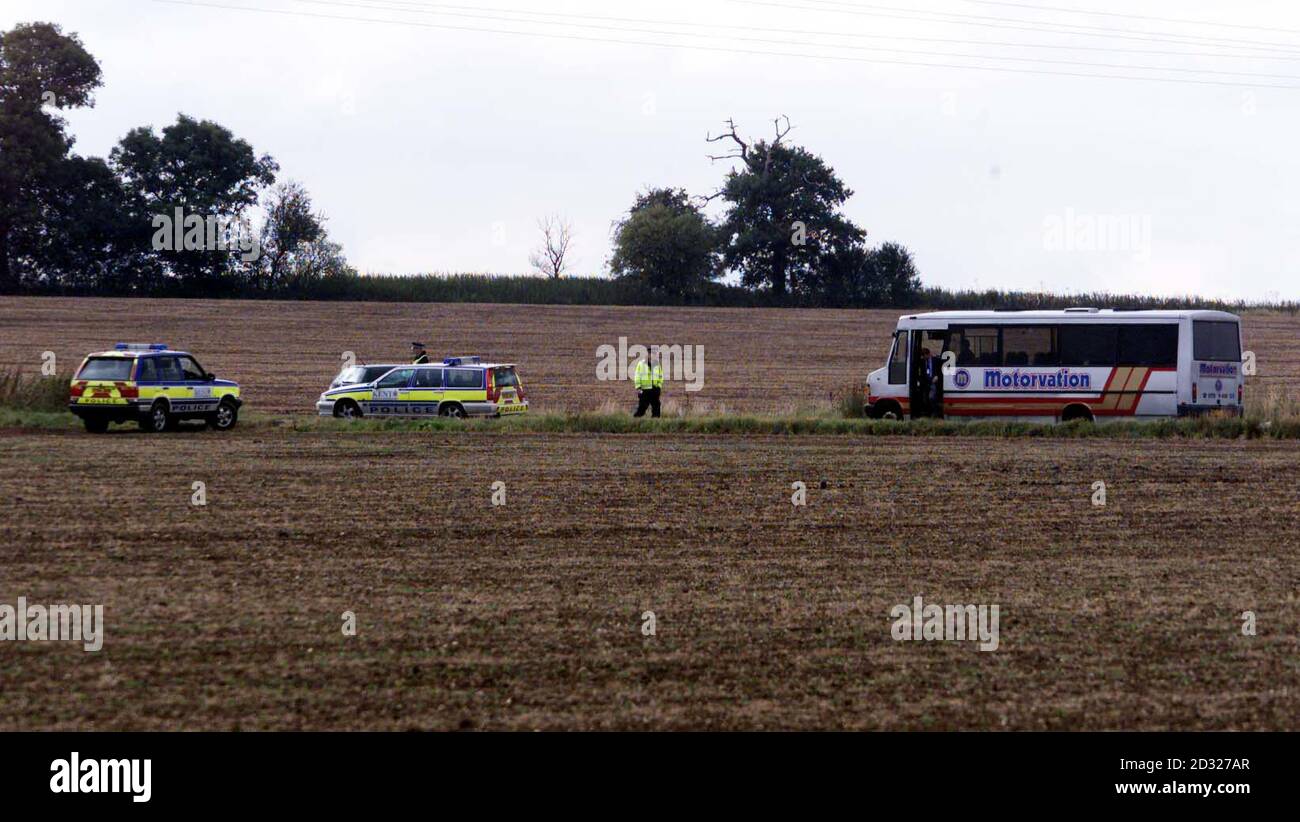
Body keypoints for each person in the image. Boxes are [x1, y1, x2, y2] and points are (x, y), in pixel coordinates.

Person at [632, 348, 664, 418]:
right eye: (650, 354)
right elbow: (637, 375)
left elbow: (661, 375)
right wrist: (638, 387)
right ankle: (635, 420)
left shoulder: (657, 364)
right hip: (644, 390)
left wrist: (659, 386)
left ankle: (655, 421)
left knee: (656, 406)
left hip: (654, 389)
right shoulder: (641, 364)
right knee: (642, 407)